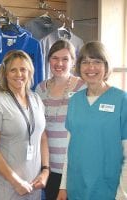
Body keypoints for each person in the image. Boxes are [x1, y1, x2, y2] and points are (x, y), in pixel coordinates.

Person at [57, 41, 127, 200]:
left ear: (106, 66)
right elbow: (70, 149)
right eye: (85, 62)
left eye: (97, 62)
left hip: (108, 190)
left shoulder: (121, 100)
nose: (91, 67)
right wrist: (63, 186)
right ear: (79, 66)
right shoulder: (75, 101)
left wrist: (122, 194)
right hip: (77, 187)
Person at [0, 50, 50, 200]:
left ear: (30, 71)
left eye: (23, 69)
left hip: (33, 186)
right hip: (6, 186)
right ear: (5, 74)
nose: (19, 74)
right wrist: (15, 181)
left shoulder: (36, 99)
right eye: (13, 70)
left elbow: (42, 137)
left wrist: (45, 171)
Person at [35, 39, 85, 200]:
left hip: (74, 168)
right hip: (49, 166)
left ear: (73, 62)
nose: (59, 63)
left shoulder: (82, 87)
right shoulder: (40, 89)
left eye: (65, 59)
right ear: (48, 60)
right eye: (55, 58)